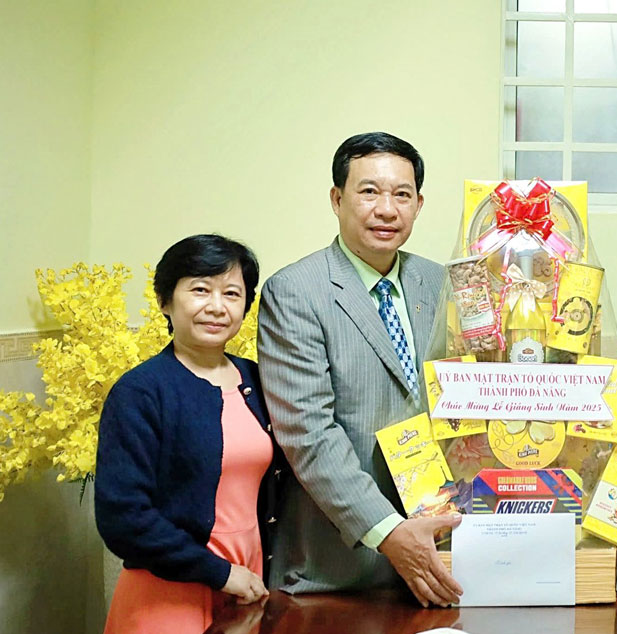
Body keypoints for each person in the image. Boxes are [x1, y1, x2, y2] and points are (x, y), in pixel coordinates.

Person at [257, 131, 462, 607]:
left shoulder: (444, 283)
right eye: (369, 191)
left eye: (402, 195)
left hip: (440, 553)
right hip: (337, 567)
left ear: (418, 203)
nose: (387, 209)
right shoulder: (295, 291)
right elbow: (308, 433)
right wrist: (389, 532)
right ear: (337, 198)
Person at [96, 234, 281, 633]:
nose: (217, 307)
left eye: (232, 293)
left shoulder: (258, 379)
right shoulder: (140, 392)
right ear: (165, 300)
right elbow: (123, 518)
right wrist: (218, 572)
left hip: (247, 585)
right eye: (200, 290)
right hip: (168, 592)